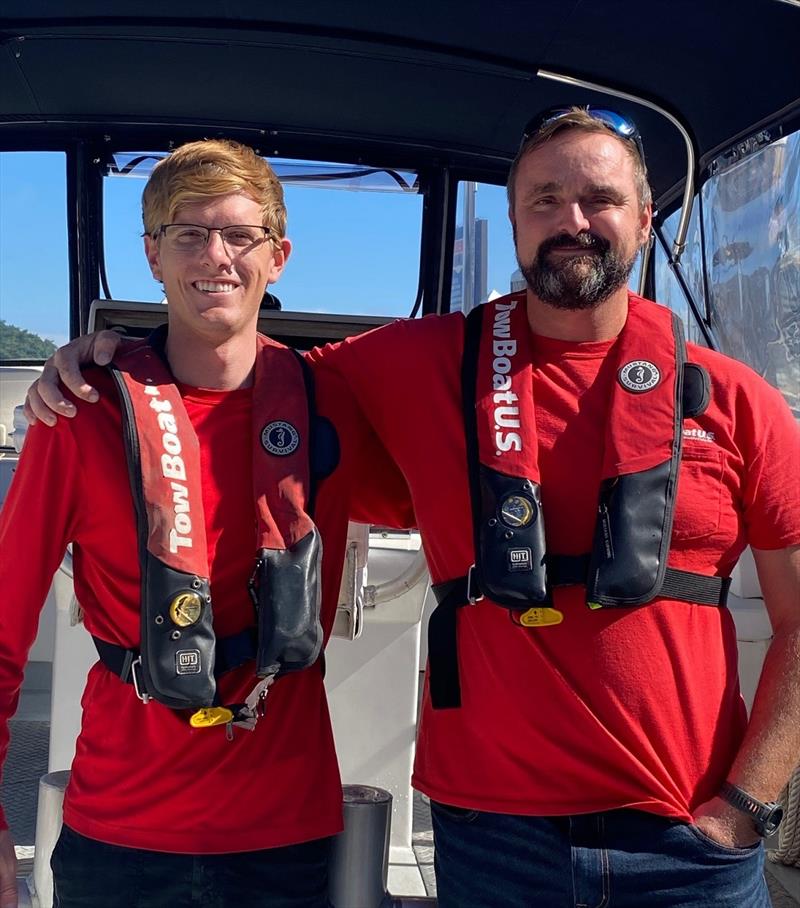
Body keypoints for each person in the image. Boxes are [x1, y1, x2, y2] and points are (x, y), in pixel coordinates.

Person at [27, 109, 800, 907]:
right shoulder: (407, 366)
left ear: (644, 219)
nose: (571, 221)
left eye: (599, 198)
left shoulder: (739, 402)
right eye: (544, 199)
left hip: (690, 842)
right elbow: (227, 379)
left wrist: (745, 808)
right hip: (494, 842)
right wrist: (102, 362)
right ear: (513, 222)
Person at [0, 139, 412, 908]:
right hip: (119, 836)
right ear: (153, 257)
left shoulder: (336, 406)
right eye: (188, 233)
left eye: (239, 234)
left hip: (287, 839)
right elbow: (3, 623)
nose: (214, 255)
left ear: (278, 255)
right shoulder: (79, 414)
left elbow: (448, 505)